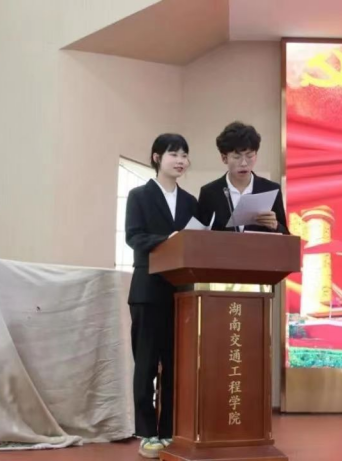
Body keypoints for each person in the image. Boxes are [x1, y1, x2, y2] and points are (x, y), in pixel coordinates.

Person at [125, 133, 197, 459]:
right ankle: (147, 432)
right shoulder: (138, 195)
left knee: (175, 365)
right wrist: (169, 239)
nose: (180, 160)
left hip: (181, 293)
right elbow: (134, 237)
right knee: (146, 365)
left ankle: (168, 430)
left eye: (184, 155)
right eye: (173, 154)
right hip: (148, 290)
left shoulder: (191, 202)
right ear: (157, 157)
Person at [197, 121, 289, 234]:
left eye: (250, 156)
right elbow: (198, 236)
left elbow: (286, 237)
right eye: (237, 157)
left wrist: (276, 225)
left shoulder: (270, 189)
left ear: (256, 155)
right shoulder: (209, 193)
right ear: (224, 158)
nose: (244, 163)